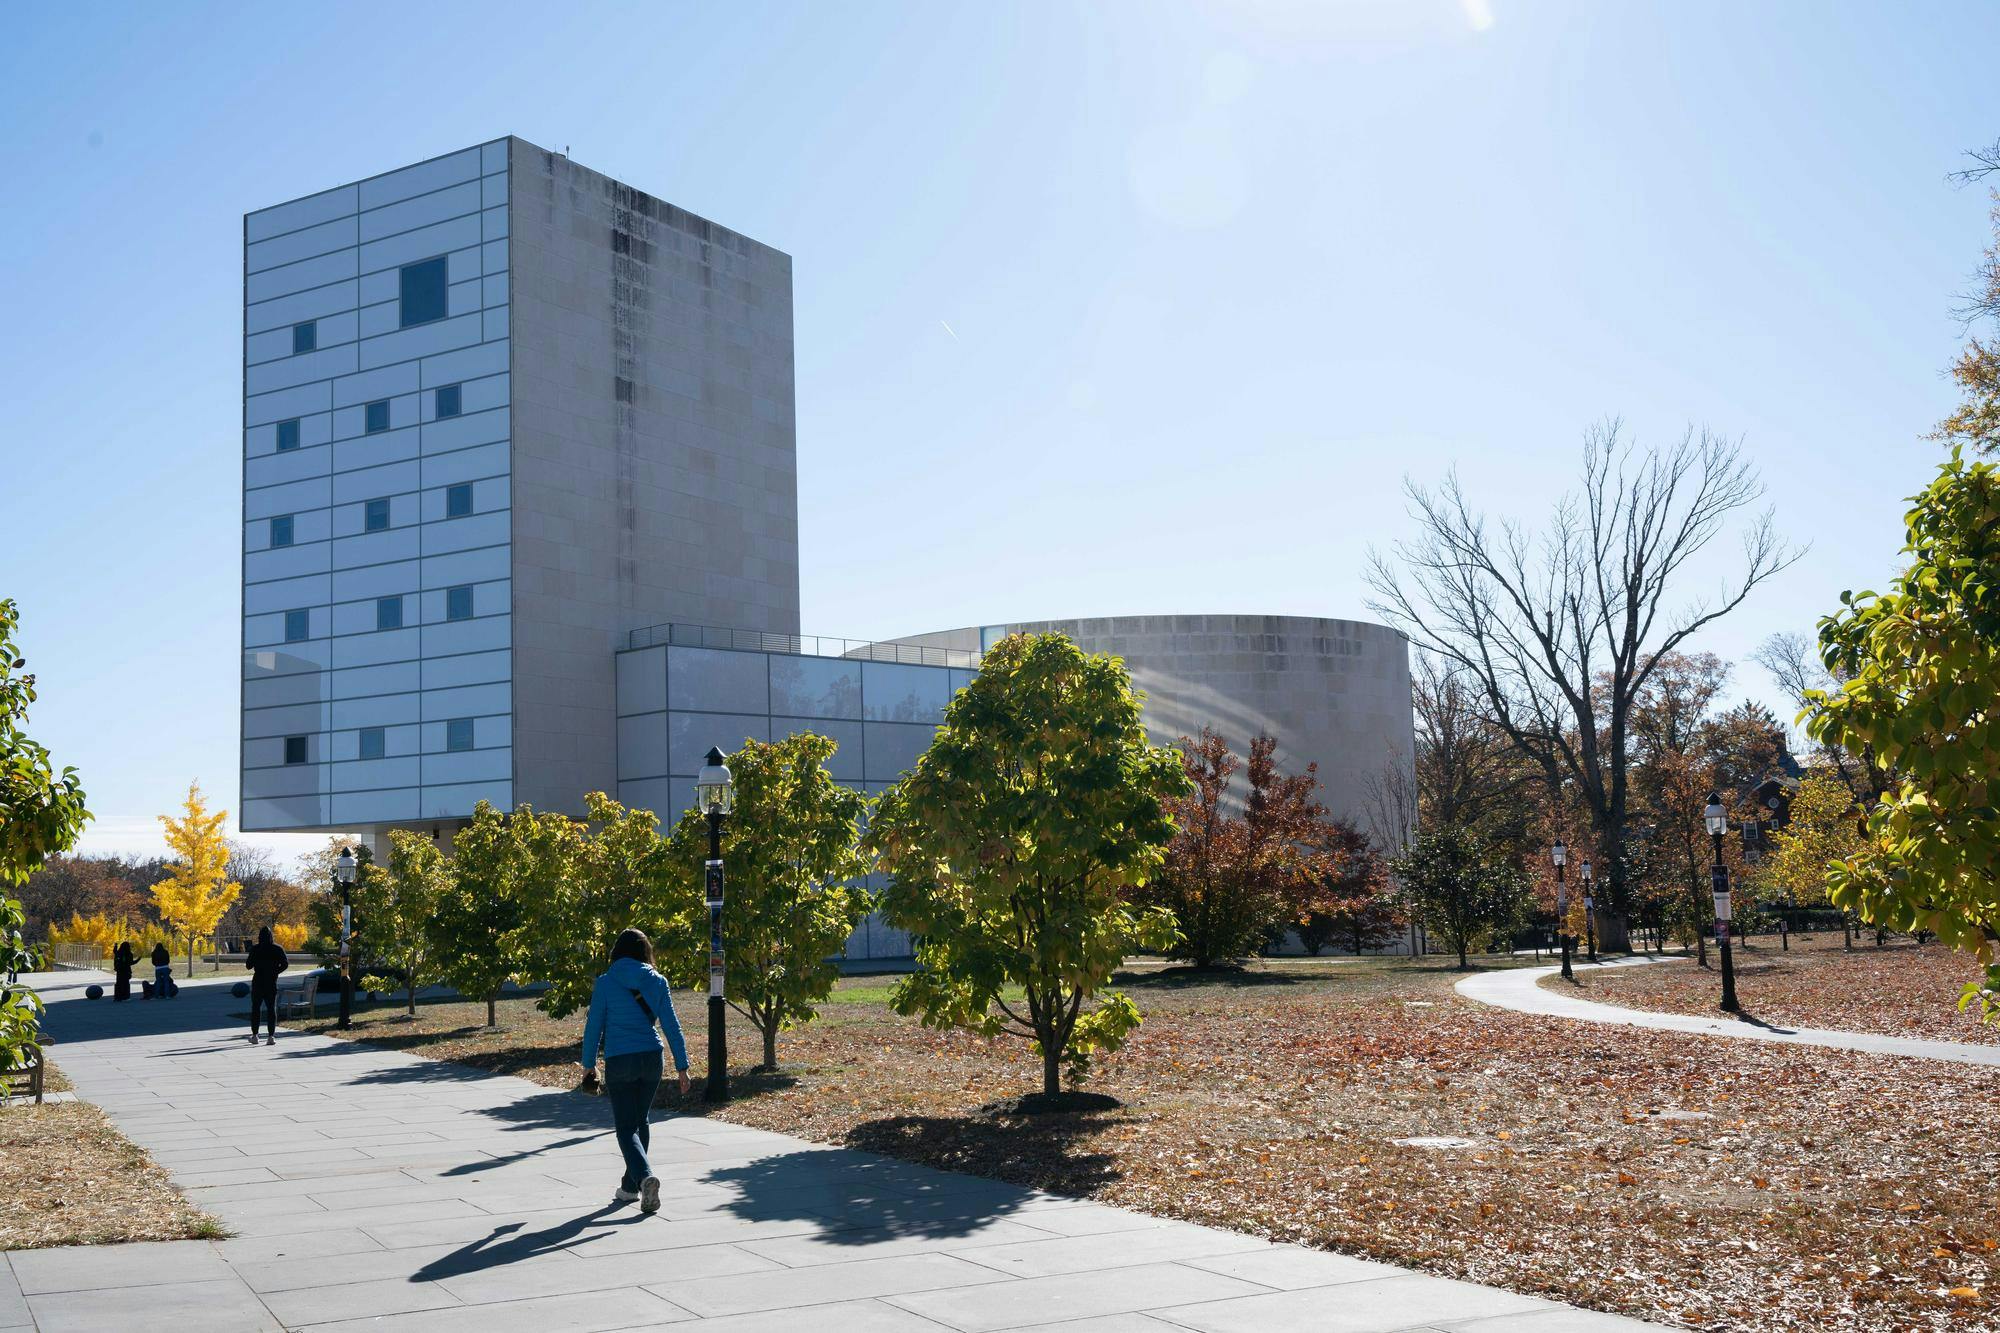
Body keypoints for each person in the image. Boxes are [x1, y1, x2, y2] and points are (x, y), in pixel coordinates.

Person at [579, 928, 691, 1212]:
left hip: (620, 1060)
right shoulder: (658, 980)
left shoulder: (605, 982)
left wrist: (588, 1064)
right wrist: (682, 1066)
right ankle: (630, 1188)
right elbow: (671, 1025)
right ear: (645, 951)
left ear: (616, 952)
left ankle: (644, 1178)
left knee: (626, 1128)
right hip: (652, 1057)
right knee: (641, 1121)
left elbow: (594, 1026)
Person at [244, 926, 289, 1045]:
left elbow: (248, 965)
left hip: (258, 981)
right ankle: (271, 1036)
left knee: (256, 1009)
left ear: (259, 937)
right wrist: (275, 972)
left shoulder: (255, 949)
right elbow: (285, 964)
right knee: (271, 1009)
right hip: (271, 982)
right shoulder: (277, 949)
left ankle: (255, 1035)